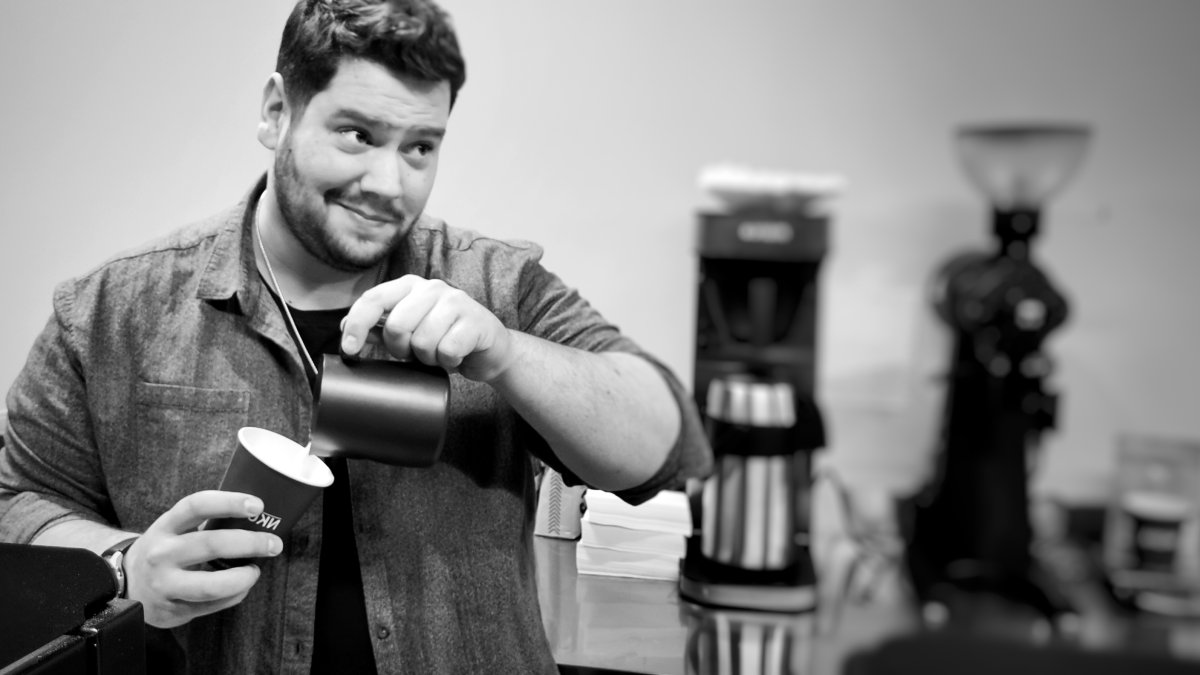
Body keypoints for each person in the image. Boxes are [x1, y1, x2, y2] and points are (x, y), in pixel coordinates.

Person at [0, 1, 712, 673]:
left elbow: (663, 444)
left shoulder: (495, 283)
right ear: (278, 111)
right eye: (358, 134)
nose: (389, 183)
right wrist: (123, 564)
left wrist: (504, 352)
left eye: (420, 147)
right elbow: (15, 500)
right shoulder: (110, 310)